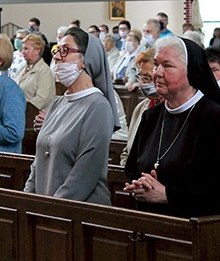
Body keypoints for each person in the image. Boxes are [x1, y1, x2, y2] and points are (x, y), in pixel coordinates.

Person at [124, 36, 220, 218]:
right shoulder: (151, 116)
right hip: (149, 222)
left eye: (167, 66)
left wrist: (167, 195)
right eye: (156, 65)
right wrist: (141, 185)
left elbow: (218, 191)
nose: (157, 73)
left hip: (193, 226)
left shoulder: (214, 118)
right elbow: (132, 168)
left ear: (191, 71)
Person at [24, 27, 120, 204]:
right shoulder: (58, 103)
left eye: (65, 50)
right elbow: (38, 162)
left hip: (77, 213)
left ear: (85, 60)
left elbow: (84, 173)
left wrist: (52, 209)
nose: (57, 56)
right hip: (45, 209)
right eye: (57, 50)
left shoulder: (98, 107)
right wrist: (28, 199)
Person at [119, 49, 162, 166]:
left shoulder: (170, 109)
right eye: (140, 77)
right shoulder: (141, 108)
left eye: (147, 78)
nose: (142, 83)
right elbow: (128, 151)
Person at [15, 34, 55, 111]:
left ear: (37, 50)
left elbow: (42, 99)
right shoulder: (22, 67)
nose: (23, 52)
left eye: (26, 49)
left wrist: (22, 110)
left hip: (34, 115)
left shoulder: (44, 71)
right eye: (22, 49)